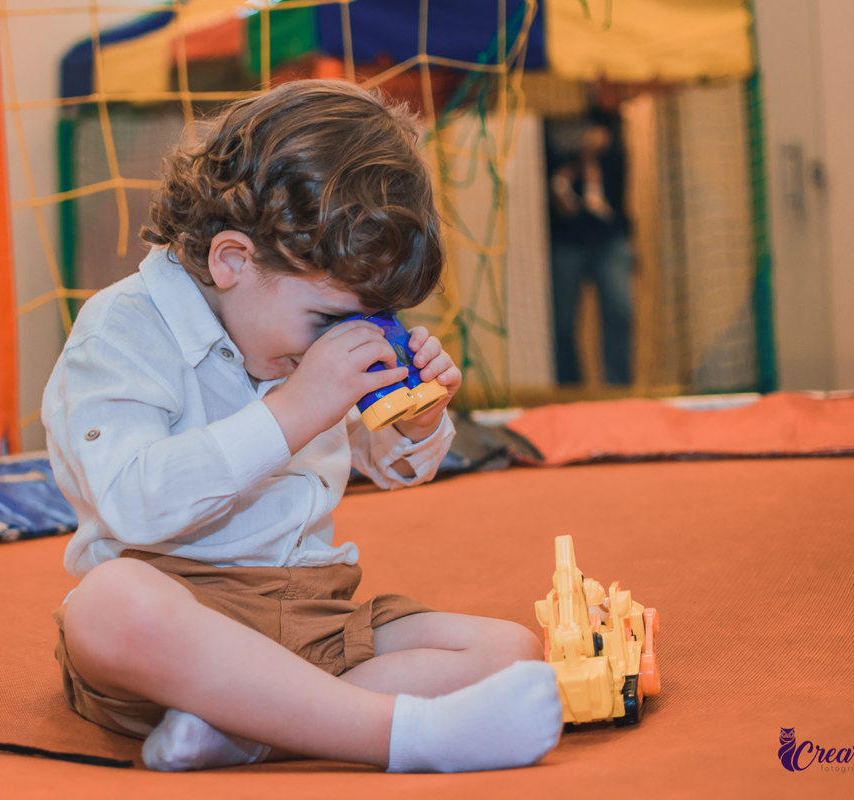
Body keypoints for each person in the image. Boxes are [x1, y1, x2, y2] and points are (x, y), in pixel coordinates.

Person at [42, 79, 562, 774]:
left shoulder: (282, 328)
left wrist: (415, 424)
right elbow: (135, 503)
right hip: (178, 619)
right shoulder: (123, 331)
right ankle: (402, 734)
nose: (337, 344)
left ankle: (252, 728)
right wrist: (290, 411)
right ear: (232, 260)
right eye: (327, 320)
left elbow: (382, 461)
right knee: (107, 608)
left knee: (512, 654)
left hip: (311, 613)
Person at [546, 108, 634, 386]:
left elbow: (619, 185)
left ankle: (618, 387)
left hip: (608, 236)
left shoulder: (611, 119)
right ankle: (570, 389)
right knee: (562, 322)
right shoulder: (550, 120)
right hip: (566, 238)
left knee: (620, 311)